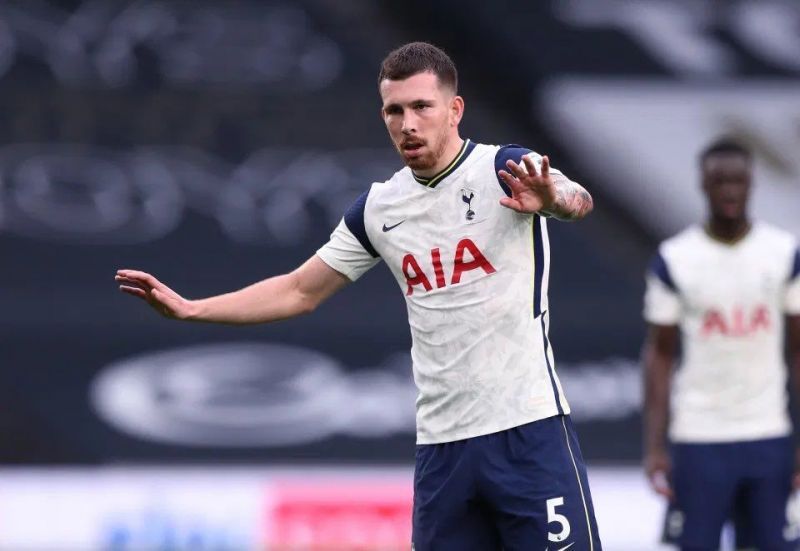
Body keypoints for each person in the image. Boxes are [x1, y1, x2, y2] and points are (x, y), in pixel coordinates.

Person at [116, 42, 601, 550]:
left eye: (422, 107)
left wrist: (552, 201)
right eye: (395, 110)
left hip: (528, 431)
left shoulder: (506, 168)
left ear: (454, 110)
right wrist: (193, 309)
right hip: (442, 452)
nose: (407, 123)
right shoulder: (378, 207)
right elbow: (300, 290)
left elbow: (578, 200)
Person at [642, 138, 800, 550]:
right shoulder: (675, 258)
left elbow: (799, 350)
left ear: (751, 184)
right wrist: (656, 446)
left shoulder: (783, 254)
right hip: (699, 437)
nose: (729, 189)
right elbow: (659, 355)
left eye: (738, 180)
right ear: (704, 185)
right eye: (719, 180)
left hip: (768, 434)